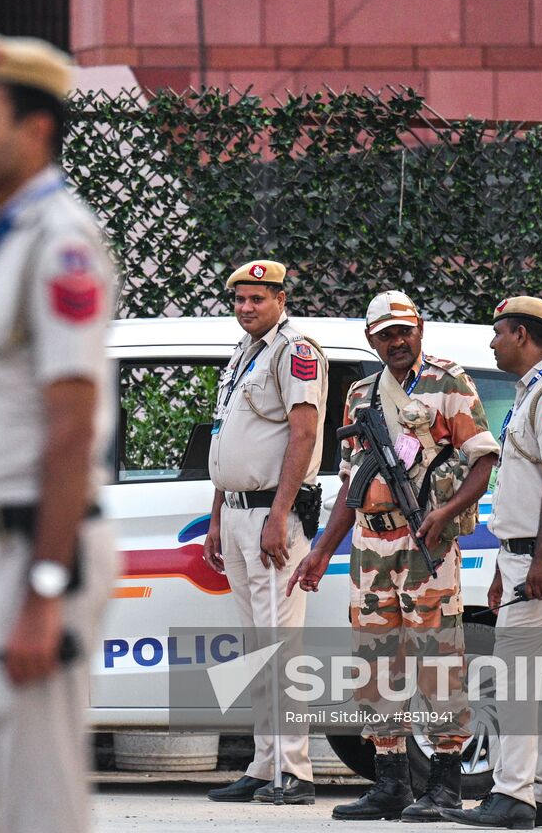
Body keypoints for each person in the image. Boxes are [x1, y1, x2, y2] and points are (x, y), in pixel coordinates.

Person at [0, 32, 118, 833]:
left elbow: (73, 426)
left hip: (35, 558)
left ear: (36, 129)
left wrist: (45, 591)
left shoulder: (60, 242)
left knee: (41, 806)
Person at [290, 290, 498, 822]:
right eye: (385, 333)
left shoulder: (449, 383)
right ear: (371, 340)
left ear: (420, 329)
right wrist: (319, 554)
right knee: (376, 662)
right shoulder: (360, 395)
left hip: (426, 542)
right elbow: (350, 488)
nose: (397, 340)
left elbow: (482, 462)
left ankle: (446, 785)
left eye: (404, 330)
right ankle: (391, 783)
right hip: (369, 545)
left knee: (437, 659)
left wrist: (445, 513)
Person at [443, 297, 542, 831]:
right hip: (530, 555)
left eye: (499, 332)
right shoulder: (534, 391)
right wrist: (508, 568)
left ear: (524, 335)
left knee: (513, 680)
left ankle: (512, 795)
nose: (492, 342)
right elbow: (523, 488)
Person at [203, 259, 327, 807]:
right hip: (236, 512)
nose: (246, 308)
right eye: (239, 300)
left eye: (257, 298)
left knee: (281, 644)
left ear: (281, 298)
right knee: (258, 648)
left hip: (270, 516)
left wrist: (279, 514)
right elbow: (225, 440)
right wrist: (216, 515)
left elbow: (304, 433)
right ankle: (263, 764)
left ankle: (293, 771)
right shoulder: (243, 353)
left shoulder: (295, 350)